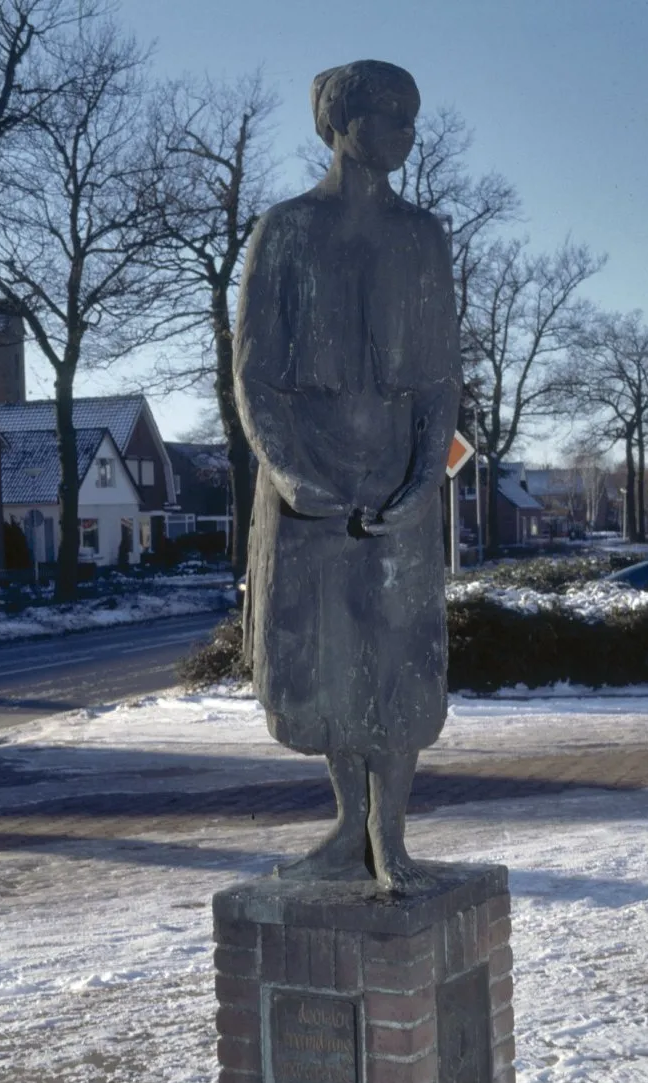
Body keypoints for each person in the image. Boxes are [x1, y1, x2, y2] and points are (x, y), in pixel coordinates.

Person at [233, 60, 461, 893]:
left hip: (395, 473)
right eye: (388, 113)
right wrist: (289, 474)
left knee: (398, 658)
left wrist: (426, 478)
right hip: (311, 479)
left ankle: (388, 836)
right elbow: (253, 374)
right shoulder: (286, 230)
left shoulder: (422, 237)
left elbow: (440, 378)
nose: (405, 128)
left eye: (411, 113)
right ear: (338, 120)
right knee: (325, 660)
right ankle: (347, 829)